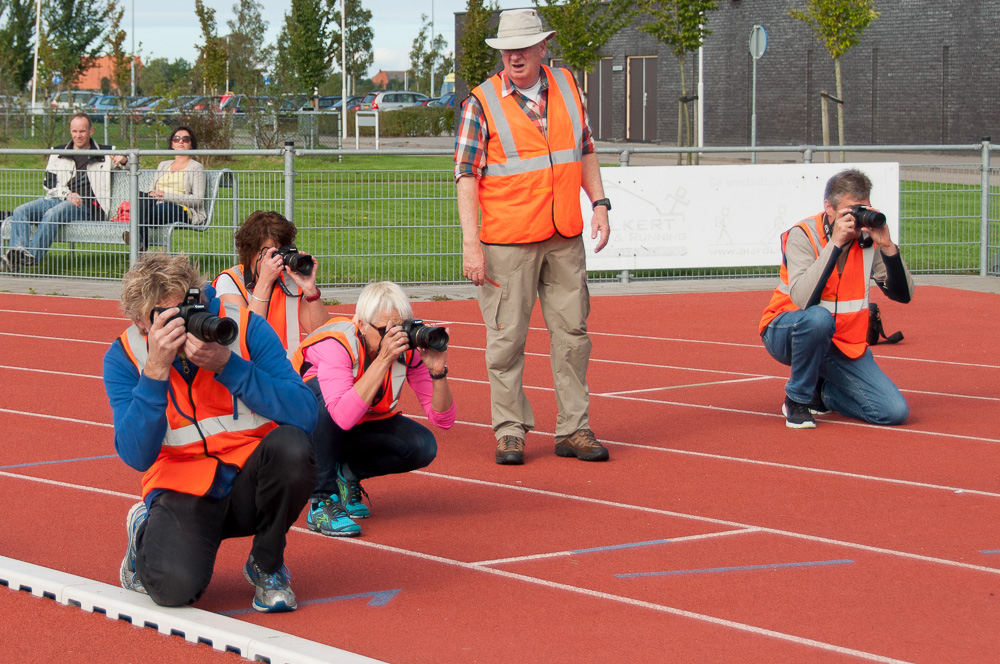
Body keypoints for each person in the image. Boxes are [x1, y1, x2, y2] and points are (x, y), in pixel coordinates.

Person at [103, 252, 318, 612]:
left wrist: (229, 365)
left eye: (192, 305)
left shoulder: (244, 327)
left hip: (249, 479)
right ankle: (145, 532)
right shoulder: (125, 356)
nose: (186, 322)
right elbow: (135, 455)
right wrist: (155, 370)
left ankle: (267, 565)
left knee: (294, 448)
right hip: (181, 487)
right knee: (173, 590)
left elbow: (305, 413)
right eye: (170, 317)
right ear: (143, 322)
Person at [454, 8, 611, 465]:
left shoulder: (566, 85)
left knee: (573, 335)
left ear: (544, 46)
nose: (515, 56)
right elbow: (466, 176)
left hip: (564, 235)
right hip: (507, 243)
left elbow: (584, 149)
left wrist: (599, 203)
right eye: (508, 49)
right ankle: (509, 430)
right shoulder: (479, 103)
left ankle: (574, 429)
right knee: (506, 341)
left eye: (524, 47)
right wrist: (472, 245)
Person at [290, 281, 454, 537]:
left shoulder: (406, 349)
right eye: (384, 329)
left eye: (400, 327)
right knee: (320, 397)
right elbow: (340, 417)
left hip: (353, 425)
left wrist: (437, 372)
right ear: (362, 324)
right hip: (304, 428)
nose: (394, 336)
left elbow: (443, 420)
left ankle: (346, 473)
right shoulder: (339, 343)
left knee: (423, 445)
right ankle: (321, 499)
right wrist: (385, 359)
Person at [759, 168, 914, 429]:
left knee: (893, 412)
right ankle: (797, 399)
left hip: (843, 344)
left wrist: (887, 246)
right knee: (818, 319)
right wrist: (836, 243)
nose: (858, 218)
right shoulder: (803, 235)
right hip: (787, 331)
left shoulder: (868, 239)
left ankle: (825, 394)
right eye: (850, 210)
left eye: (863, 208)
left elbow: (902, 295)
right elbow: (803, 297)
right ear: (828, 208)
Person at [3, 113, 127, 272]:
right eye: (74, 131)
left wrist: (124, 159)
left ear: (91, 131)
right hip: (60, 199)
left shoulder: (106, 153)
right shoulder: (58, 152)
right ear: (70, 131)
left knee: (53, 213)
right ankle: (17, 253)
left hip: (90, 208)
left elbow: (130, 165)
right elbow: (49, 182)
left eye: (82, 131)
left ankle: (32, 256)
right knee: (20, 210)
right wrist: (67, 194)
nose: (78, 135)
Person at [213, 210, 330, 357]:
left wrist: (311, 292)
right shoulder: (230, 280)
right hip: (249, 372)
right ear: (250, 252)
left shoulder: (289, 280)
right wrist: (264, 283)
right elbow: (245, 339)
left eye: (279, 253)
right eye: (269, 253)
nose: (276, 260)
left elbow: (327, 337)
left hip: (288, 372)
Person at [130, 126, 206, 251]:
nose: (180, 141)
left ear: (191, 144)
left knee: (149, 211)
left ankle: (139, 245)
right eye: (176, 139)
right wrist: (152, 194)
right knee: (139, 197)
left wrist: (165, 196)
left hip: (182, 210)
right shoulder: (163, 165)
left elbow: (198, 200)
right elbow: (151, 191)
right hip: (155, 205)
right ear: (172, 144)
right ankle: (140, 244)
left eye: (185, 139)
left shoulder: (196, 167)